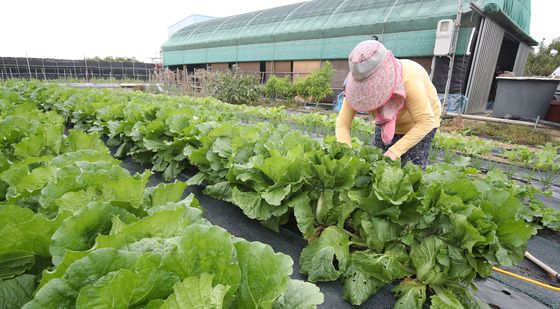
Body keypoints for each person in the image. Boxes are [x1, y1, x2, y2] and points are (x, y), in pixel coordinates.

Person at [335, 40, 441, 169]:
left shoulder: (410, 77)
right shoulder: (356, 86)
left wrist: (394, 152)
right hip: (385, 123)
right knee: (376, 166)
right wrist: (347, 154)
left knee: (411, 170)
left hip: (420, 124)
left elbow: (426, 122)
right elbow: (342, 123)